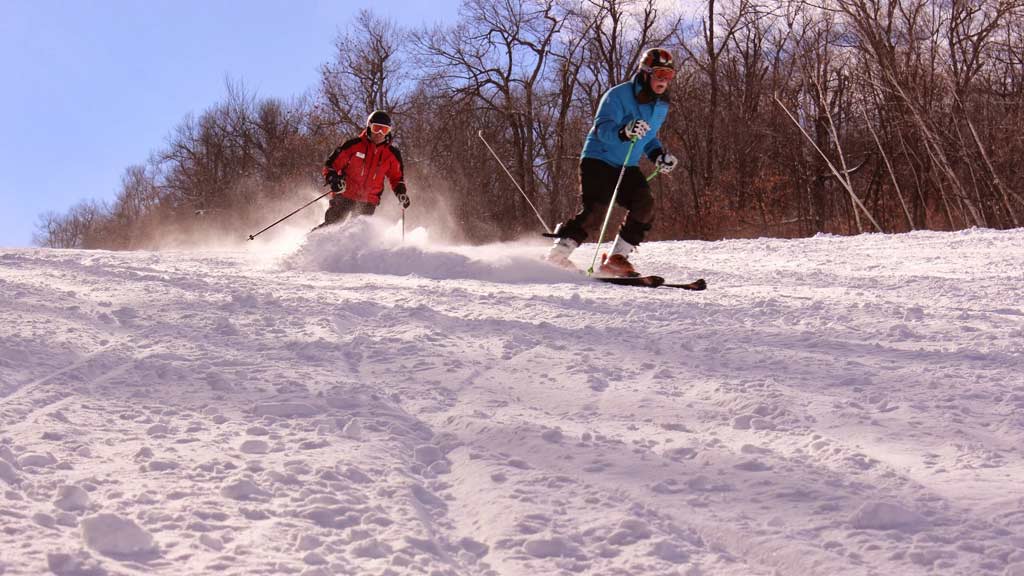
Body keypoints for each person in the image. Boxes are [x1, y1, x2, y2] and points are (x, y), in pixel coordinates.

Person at [546, 47, 679, 277]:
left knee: (644, 204)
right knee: (596, 210)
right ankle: (557, 256)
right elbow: (603, 128)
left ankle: (617, 259)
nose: (664, 81)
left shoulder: (661, 106)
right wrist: (625, 131)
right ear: (646, 73)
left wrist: (659, 156)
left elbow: (647, 137)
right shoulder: (618, 95)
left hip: (626, 165)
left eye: (669, 76)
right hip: (599, 157)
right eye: (659, 75)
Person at [316, 110, 411, 230]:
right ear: (369, 127)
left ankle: (348, 249)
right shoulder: (353, 145)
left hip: (368, 201)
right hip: (345, 195)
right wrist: (333, 179)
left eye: (384, 130)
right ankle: (305, 245)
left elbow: (396, 178)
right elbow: (330, 165)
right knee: (332, 226)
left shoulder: (392, 154)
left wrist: (401, 193)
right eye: (376, 128)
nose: (380, 133)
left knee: (356, 232)